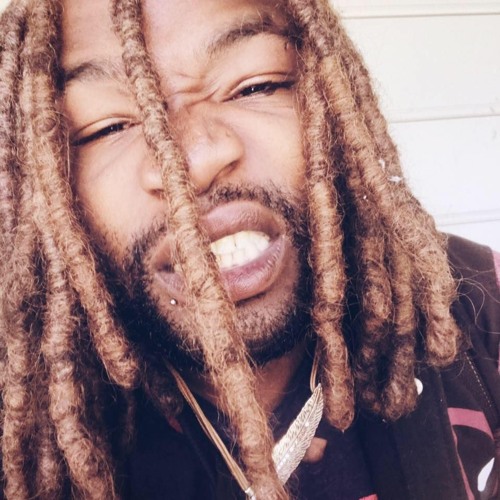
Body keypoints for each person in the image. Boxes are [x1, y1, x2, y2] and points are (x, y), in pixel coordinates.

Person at [0, 0, 499, 498]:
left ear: (331, 93)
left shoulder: (481, 308)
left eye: (254, 85)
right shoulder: (26, 429)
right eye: (106, 126)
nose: (192, 161)